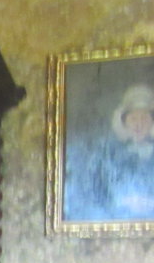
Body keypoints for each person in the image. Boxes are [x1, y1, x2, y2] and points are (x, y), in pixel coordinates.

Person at [66, 84, 154, 221]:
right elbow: (97, 191)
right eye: (133, 119)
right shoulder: (109, 154)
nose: (139, 124)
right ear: (125, 122)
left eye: (144, 118)